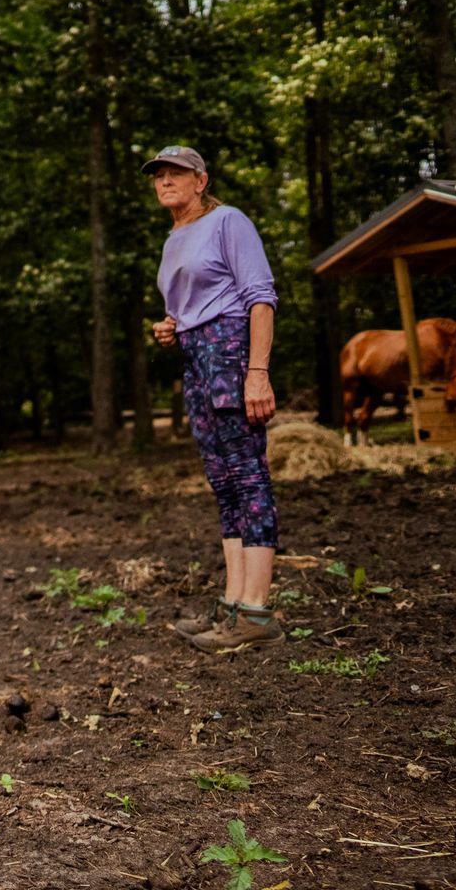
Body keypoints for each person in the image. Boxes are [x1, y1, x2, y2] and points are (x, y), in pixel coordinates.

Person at [144, 145, 282, 652]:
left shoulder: (229, 221)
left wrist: (257, 372)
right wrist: (170, 328)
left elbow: (260, 298)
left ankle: (257, 610)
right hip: (195, 358)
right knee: (223, 484)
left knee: (248, 475)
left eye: (175, 173)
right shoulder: (173, 238)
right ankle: (232, 604)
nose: (165, 181)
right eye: (158, 175)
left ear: (201, 180)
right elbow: (187, 309)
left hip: (230, 352)